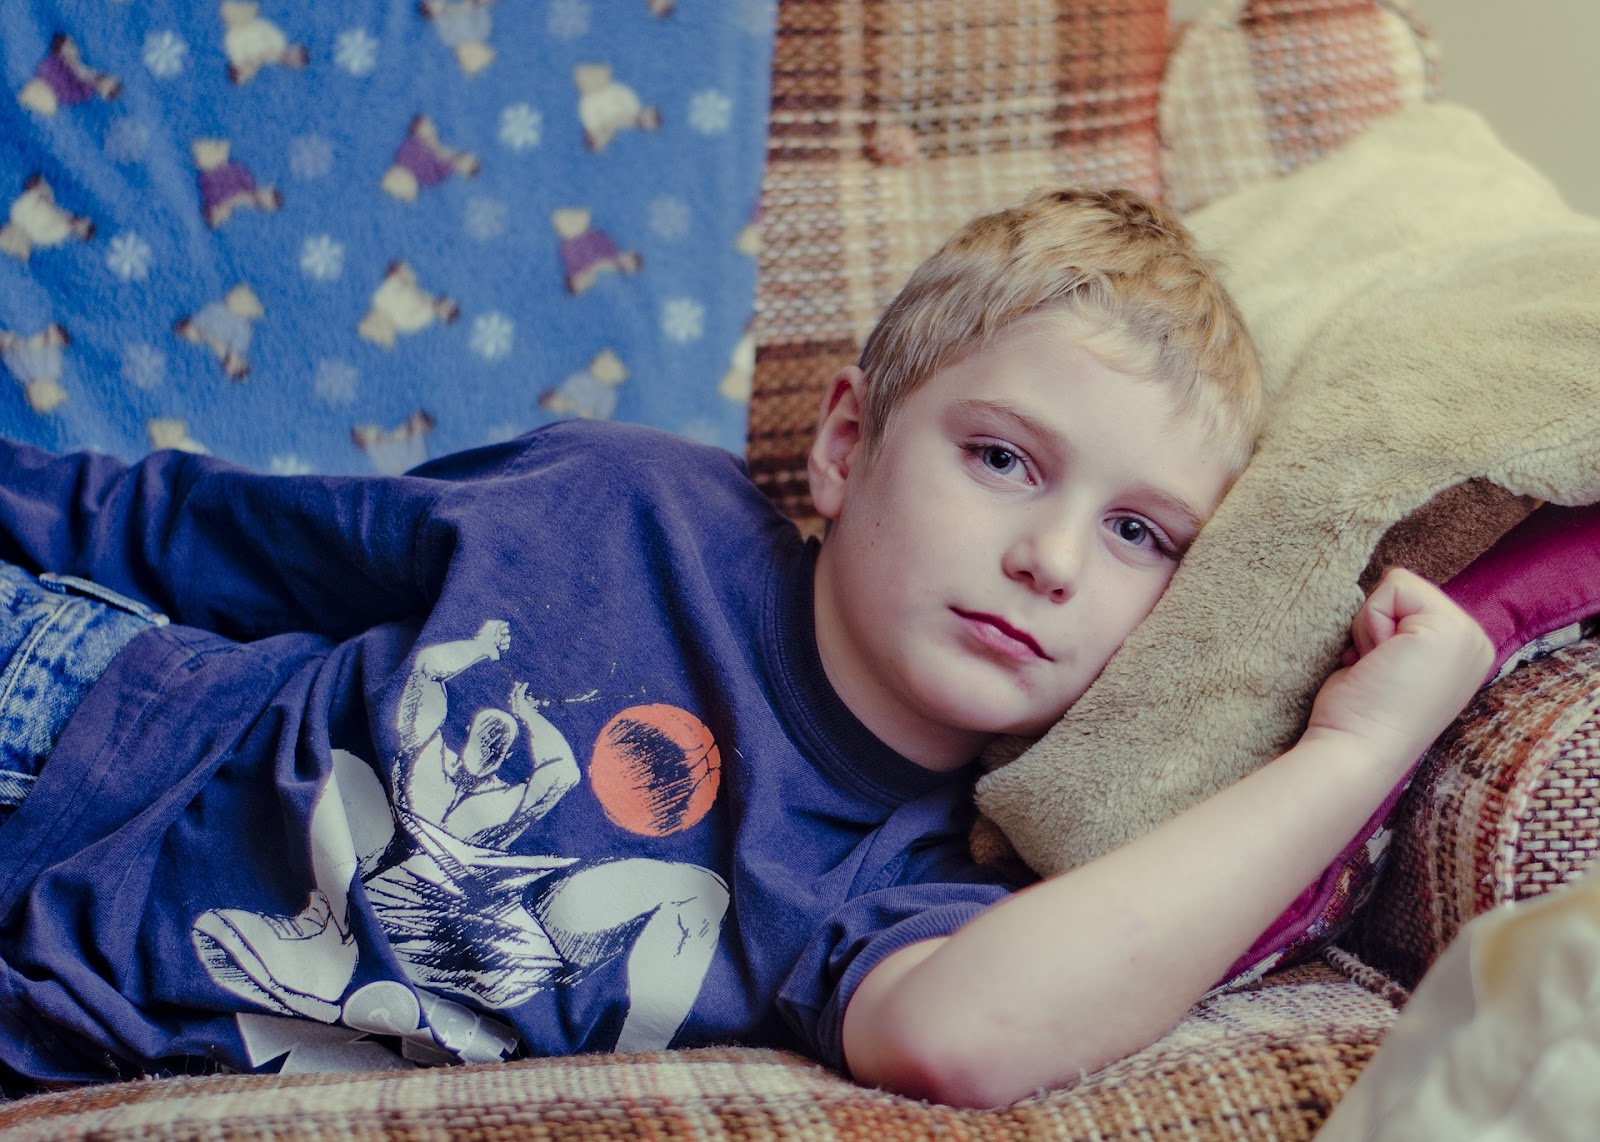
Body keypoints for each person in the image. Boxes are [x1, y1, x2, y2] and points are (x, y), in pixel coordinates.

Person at [0, 188, 1491, 1106]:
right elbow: (191, 530)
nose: (1047, 557)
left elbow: (967, 1037)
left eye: (1138, 535)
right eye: (1004, 460)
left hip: (61, 1023)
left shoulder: (895, 875)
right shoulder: (630, 509)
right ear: (848, 444)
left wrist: (1356, 750)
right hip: (62, 725)